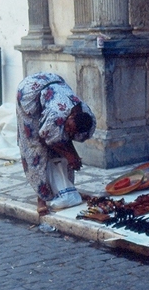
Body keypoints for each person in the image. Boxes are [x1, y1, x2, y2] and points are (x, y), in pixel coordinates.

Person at [16, 72, 96, 216]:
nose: (68, 131)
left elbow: (66, 138)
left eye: (72, 131)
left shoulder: (86, 117)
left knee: (64, 152)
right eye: (69, 128)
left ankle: (66, 189)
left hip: (53, 83)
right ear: (70, 117)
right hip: (29, 93)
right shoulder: (56, 116)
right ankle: (41, 197)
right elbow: (44, 140)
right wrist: (69, 155)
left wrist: (73, 156)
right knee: (37, 149)